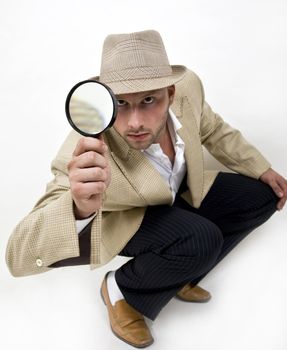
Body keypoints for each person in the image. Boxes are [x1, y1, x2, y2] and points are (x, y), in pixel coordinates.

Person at [6, 30, 287, 348]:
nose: (134, 122)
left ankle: (181, 273)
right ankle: (122, 291)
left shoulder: (188, 89)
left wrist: (260, 167)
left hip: (173, 193)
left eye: (148, 100)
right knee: (201, 238)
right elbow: (18, 256)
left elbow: (211, 128)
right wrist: (78, 206)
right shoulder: (85, 146)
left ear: (170, 92)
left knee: (262, 198)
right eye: (120, 103)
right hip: (128, 218)